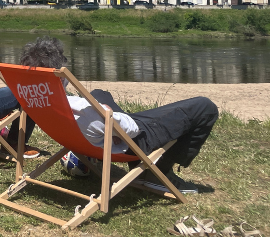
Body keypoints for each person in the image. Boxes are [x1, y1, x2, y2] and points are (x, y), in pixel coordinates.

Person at [16, 36, 218, 194]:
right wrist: (111, 113)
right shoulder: (83, 109)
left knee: (99, 94)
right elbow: (132, 128)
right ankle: (158, 172)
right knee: (204, 107)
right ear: (61, 75)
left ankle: (98, 145)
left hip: (82, 138)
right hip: (132, 140)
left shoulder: (36, 102)